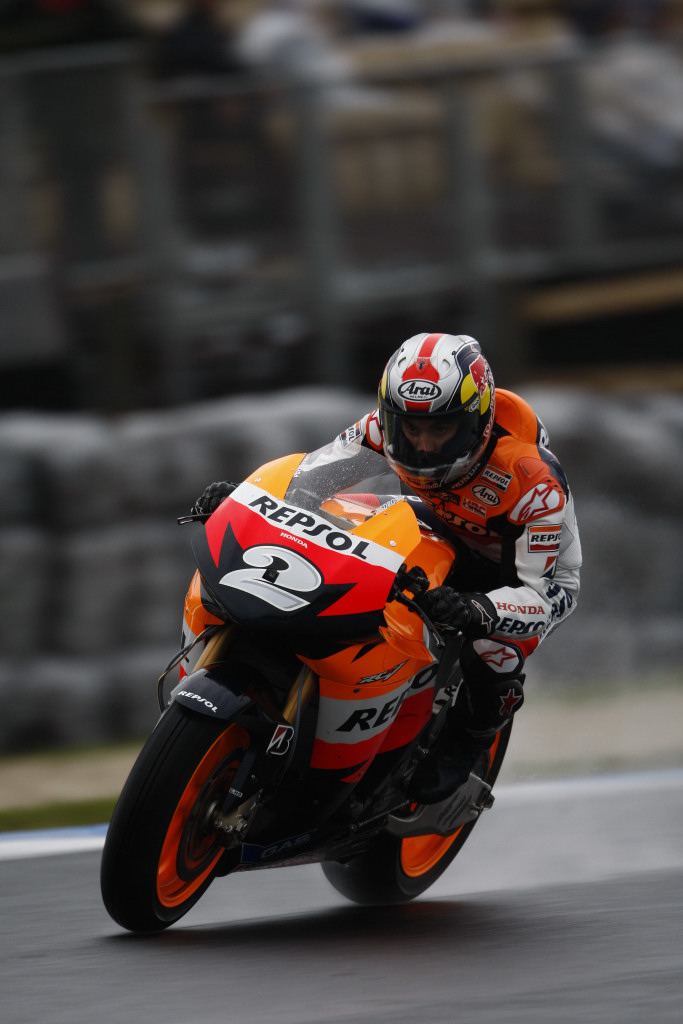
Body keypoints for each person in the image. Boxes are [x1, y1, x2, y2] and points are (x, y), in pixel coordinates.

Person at [192, 332, 582, 803]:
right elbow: (307, 485)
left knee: (491, 650)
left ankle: (472, 737)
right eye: (410, 428)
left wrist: (475, 608)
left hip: (516, 574)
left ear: (477, 423)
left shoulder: (532, 480)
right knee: (341, 513)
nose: (423, 446)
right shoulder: (380, 428)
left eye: (442, 429)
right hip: (436, 525)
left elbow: (544, 592)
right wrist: (247, 504)